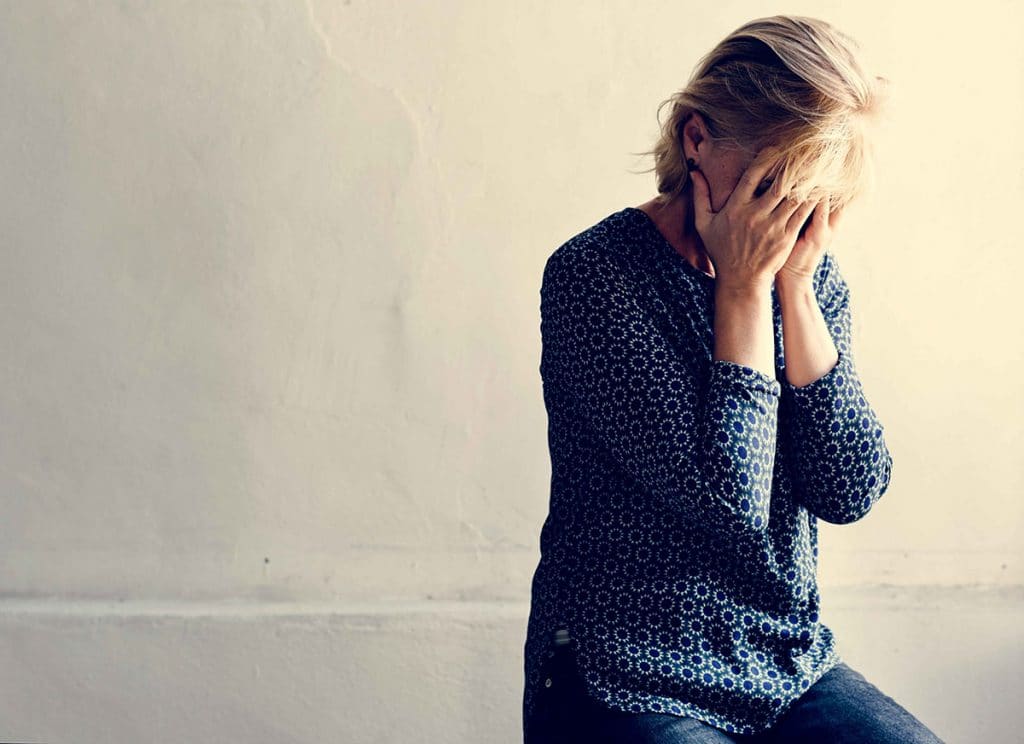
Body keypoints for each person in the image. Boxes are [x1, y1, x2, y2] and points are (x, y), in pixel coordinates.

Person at [522, 14, 945, 744]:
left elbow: (850, 489)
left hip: (782, 661)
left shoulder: (807, 279)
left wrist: (798, 288)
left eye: (817, 194)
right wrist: (743, 293)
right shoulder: (593, 277)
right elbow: (726, 507)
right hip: (627, 668)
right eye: (776, 184)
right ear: (697, 140)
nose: (794, 218)